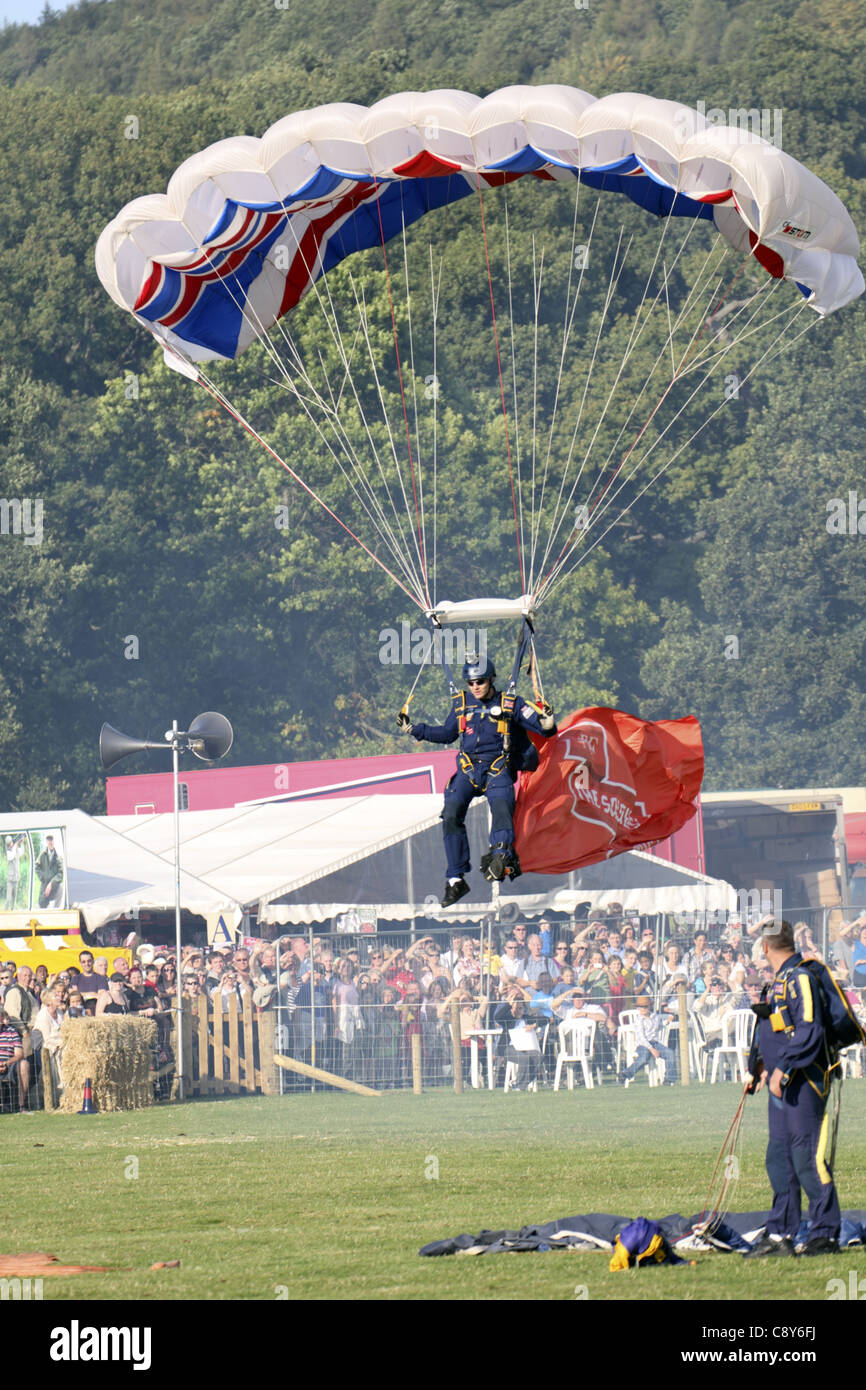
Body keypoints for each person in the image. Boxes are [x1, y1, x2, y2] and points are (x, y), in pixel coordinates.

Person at [398, 652, 556, 906]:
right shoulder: (462, 705)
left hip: (497, 769)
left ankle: (501, 855)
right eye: (471, 683)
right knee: (450, 813)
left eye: (480, 682)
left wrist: (547, 722)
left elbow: (542, 727)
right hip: (468, 771)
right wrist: (415, 729)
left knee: (503, 807)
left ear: (490, 679)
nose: (475, 687)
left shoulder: (511, 703)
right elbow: (448, 733)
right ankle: (455, 879)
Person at [744, 919, 842, 1258]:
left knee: (806, 1158)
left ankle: (824, 1234)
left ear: (767, 947)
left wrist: (782, 1069)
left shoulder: (800, 976)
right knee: (780, 1159)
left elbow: (809, 1030)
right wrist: (757, 1066)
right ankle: (780, 1234)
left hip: (804, 1083)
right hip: (780, 1087)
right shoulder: (779, 981)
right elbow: (775, 1028)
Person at [618, 995, 678, 1086]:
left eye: (646, 1006)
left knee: (670, 1053)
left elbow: (660, 1026)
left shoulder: (655, 1016)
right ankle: (626, 1074)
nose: (644, 1008)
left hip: (656, 1043)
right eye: (641, 1006)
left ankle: (669, 1079)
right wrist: (652, 1049)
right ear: (638, 1008)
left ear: (649, 1006)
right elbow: (641, 1038)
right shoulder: (639, 1020)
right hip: (643, 1045)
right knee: (644, 1057)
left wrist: (667, 1021)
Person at [35, 834, 64, 908]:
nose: (50, 842)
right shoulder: (42, 855)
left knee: (61, 887)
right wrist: (43, 878)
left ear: (54, 841)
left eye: (51, 840)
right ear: (46, 842)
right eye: (48, 840)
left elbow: (60, 874)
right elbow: (36, 867)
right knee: (41, 904)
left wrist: (51, 884)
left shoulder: (58, 857)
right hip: (44, 885)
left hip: (54, 886)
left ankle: (56, 909)